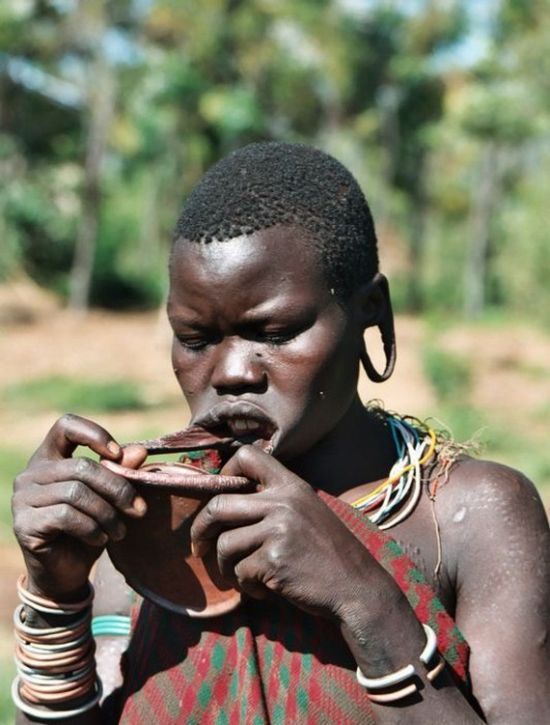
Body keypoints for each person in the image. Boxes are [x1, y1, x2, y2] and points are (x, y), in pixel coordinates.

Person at [11, 142, 550, 724]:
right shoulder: (155, 525)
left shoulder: (472, 516)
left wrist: (363, 599)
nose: (230, 372)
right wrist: (56, 596)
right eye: (194, 338)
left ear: (372, 310)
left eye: (275, 330)